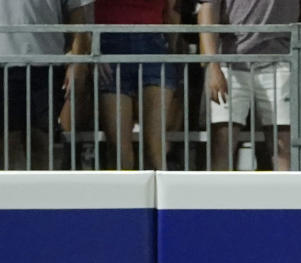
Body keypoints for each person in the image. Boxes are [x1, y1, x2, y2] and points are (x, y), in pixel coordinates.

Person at [197, 0, 301, 171]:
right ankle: (218, 196)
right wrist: (213, 64)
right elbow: (207, 9)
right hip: (230, 62)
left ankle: (287, 196)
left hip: (281, 60)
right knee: (221, 143)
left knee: (284, 146)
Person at [0, 0, 92, 170]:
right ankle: (6, 195)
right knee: (6, 142)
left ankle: (40, 195)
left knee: (40, 140)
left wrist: (77, 64)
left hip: (46, 65)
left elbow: (78, 21)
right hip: (4, 64)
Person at [96, 0, 182, 170]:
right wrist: (93, 49)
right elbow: (84, 8)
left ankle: (156, 196)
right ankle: (124, 196)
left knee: (154, 145)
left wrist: (173, 50)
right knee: (118, 148)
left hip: (153, 43)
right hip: (108, 43)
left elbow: (172, 11)